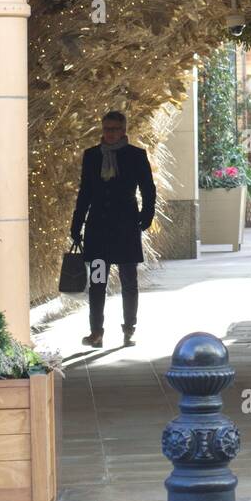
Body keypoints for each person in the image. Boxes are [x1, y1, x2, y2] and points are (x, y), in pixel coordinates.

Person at [70, 110, 156, 349]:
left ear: (123, 130)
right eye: (106, 129)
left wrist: (146, 216)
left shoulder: (136, 155)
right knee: (98, 281)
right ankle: (96, 331)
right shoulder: (92, 155)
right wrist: (77, 223)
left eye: (115, 129)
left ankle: (129, 327)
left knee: (129, 279)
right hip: (98, 228)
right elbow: (84, 192)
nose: (110, 134)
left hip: (126, 227)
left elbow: (148, 189)